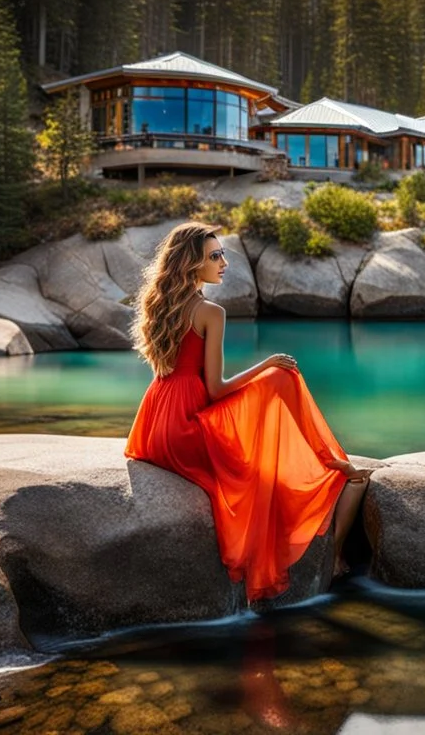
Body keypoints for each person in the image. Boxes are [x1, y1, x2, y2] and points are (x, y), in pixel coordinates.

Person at [125, 222, 368, 601]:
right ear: (192, 264)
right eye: (214, 256)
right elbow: (216, 389)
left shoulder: (160, 304)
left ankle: (325, 460)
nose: (223, 262)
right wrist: (265, 364)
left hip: (154, 423)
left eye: (222, 254)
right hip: (187, 426)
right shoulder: (210, 312)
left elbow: (177, 376)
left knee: (268, 398)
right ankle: (327, 460)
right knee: (280, 377)